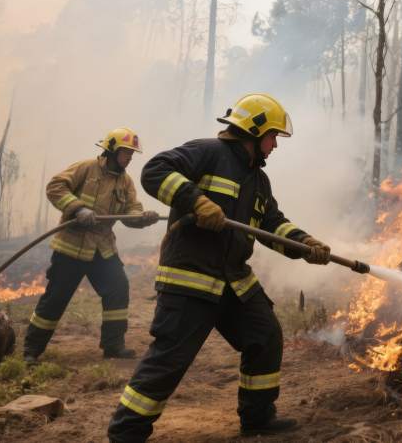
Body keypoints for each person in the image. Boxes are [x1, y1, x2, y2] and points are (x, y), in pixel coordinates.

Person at [107, 94, 331, 441]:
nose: (274, 146)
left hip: (234, 282)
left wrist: (305, 244)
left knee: (265, 336)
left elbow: (270, 224)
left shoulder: (258, 180)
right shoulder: (208, 152)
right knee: (171, 358)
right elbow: (155, 171)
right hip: (191, 279)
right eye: (272, 137)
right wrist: (195, 200)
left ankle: (257, 417)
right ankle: (126, 432)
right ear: (253, 131)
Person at [23, 127, 160, 363]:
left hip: (102, 249)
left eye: (131, 154)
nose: (129, 158)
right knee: (56, 298)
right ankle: (31, 351)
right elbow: (55, 187)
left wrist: (142, 218)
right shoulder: (86, 168)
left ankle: (113, 346)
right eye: (126, 152)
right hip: (71, 247)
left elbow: (132, 211)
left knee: (118, 289)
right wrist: (78, 208)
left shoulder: (125, 182)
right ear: (112, 149)